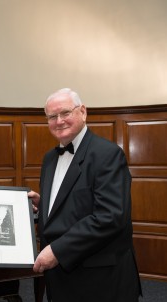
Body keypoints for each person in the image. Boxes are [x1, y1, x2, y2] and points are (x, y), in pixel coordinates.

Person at [29, 88, 142, 302]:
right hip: (60, 277)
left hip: (99, 279)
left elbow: (109, 216)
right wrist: (44, 204)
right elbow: (74, 204)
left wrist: (58, 251)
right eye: (52, 117)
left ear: (83, 111)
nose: (59, 121)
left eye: (65, 113)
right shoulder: (49, 159)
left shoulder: (107, 154)